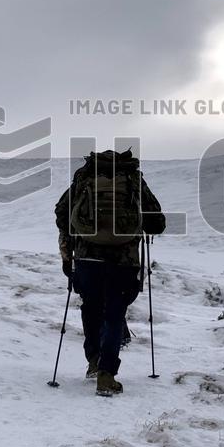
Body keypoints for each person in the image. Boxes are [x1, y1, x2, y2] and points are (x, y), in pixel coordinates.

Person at [54, 149, 166, 396]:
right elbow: (157, 222)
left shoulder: (84, 177)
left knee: (91, 308)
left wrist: (69, 251)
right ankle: (106, 375)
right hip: (123, 261)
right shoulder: (133, 180)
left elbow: (62, 214)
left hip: (87, 258)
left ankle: (93, 361)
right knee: (115, 314)